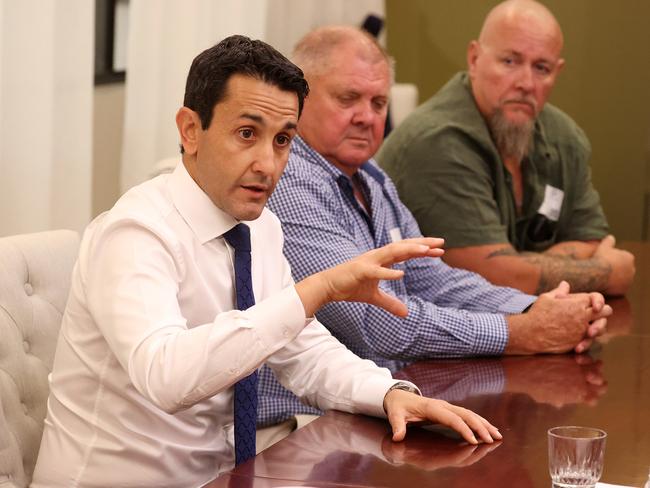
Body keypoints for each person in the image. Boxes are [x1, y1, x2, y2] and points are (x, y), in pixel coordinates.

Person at [31, 35, 501, 488]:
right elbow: (166, 376)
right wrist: (318, 290)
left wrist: (389, 394)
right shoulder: (135, 232)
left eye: (281, 140)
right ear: (190, 130)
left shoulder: (258, 226)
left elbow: (303, 352)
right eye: (247, 133)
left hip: (224, 477)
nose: (267, 163)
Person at [258, 25, 611, 427]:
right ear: (298, 100)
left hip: (380, 404)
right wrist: (521, 332)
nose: (366, 117)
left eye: (378, 103)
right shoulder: (287, 181)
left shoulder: (371, 177)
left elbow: (431, 279)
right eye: (348, 98)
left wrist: (539, 310)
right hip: (299, 429)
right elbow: (377, 326)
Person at [377, 0, 635, 296]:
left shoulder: (565, 137)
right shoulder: (437, 141)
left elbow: (593, 240)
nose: (526, 82)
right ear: (474, 59)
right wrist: (607, 273)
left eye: (542, 68)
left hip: (527, 320)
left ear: (557, 72)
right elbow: (493, 276)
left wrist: (520, 268)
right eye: (510, 61)